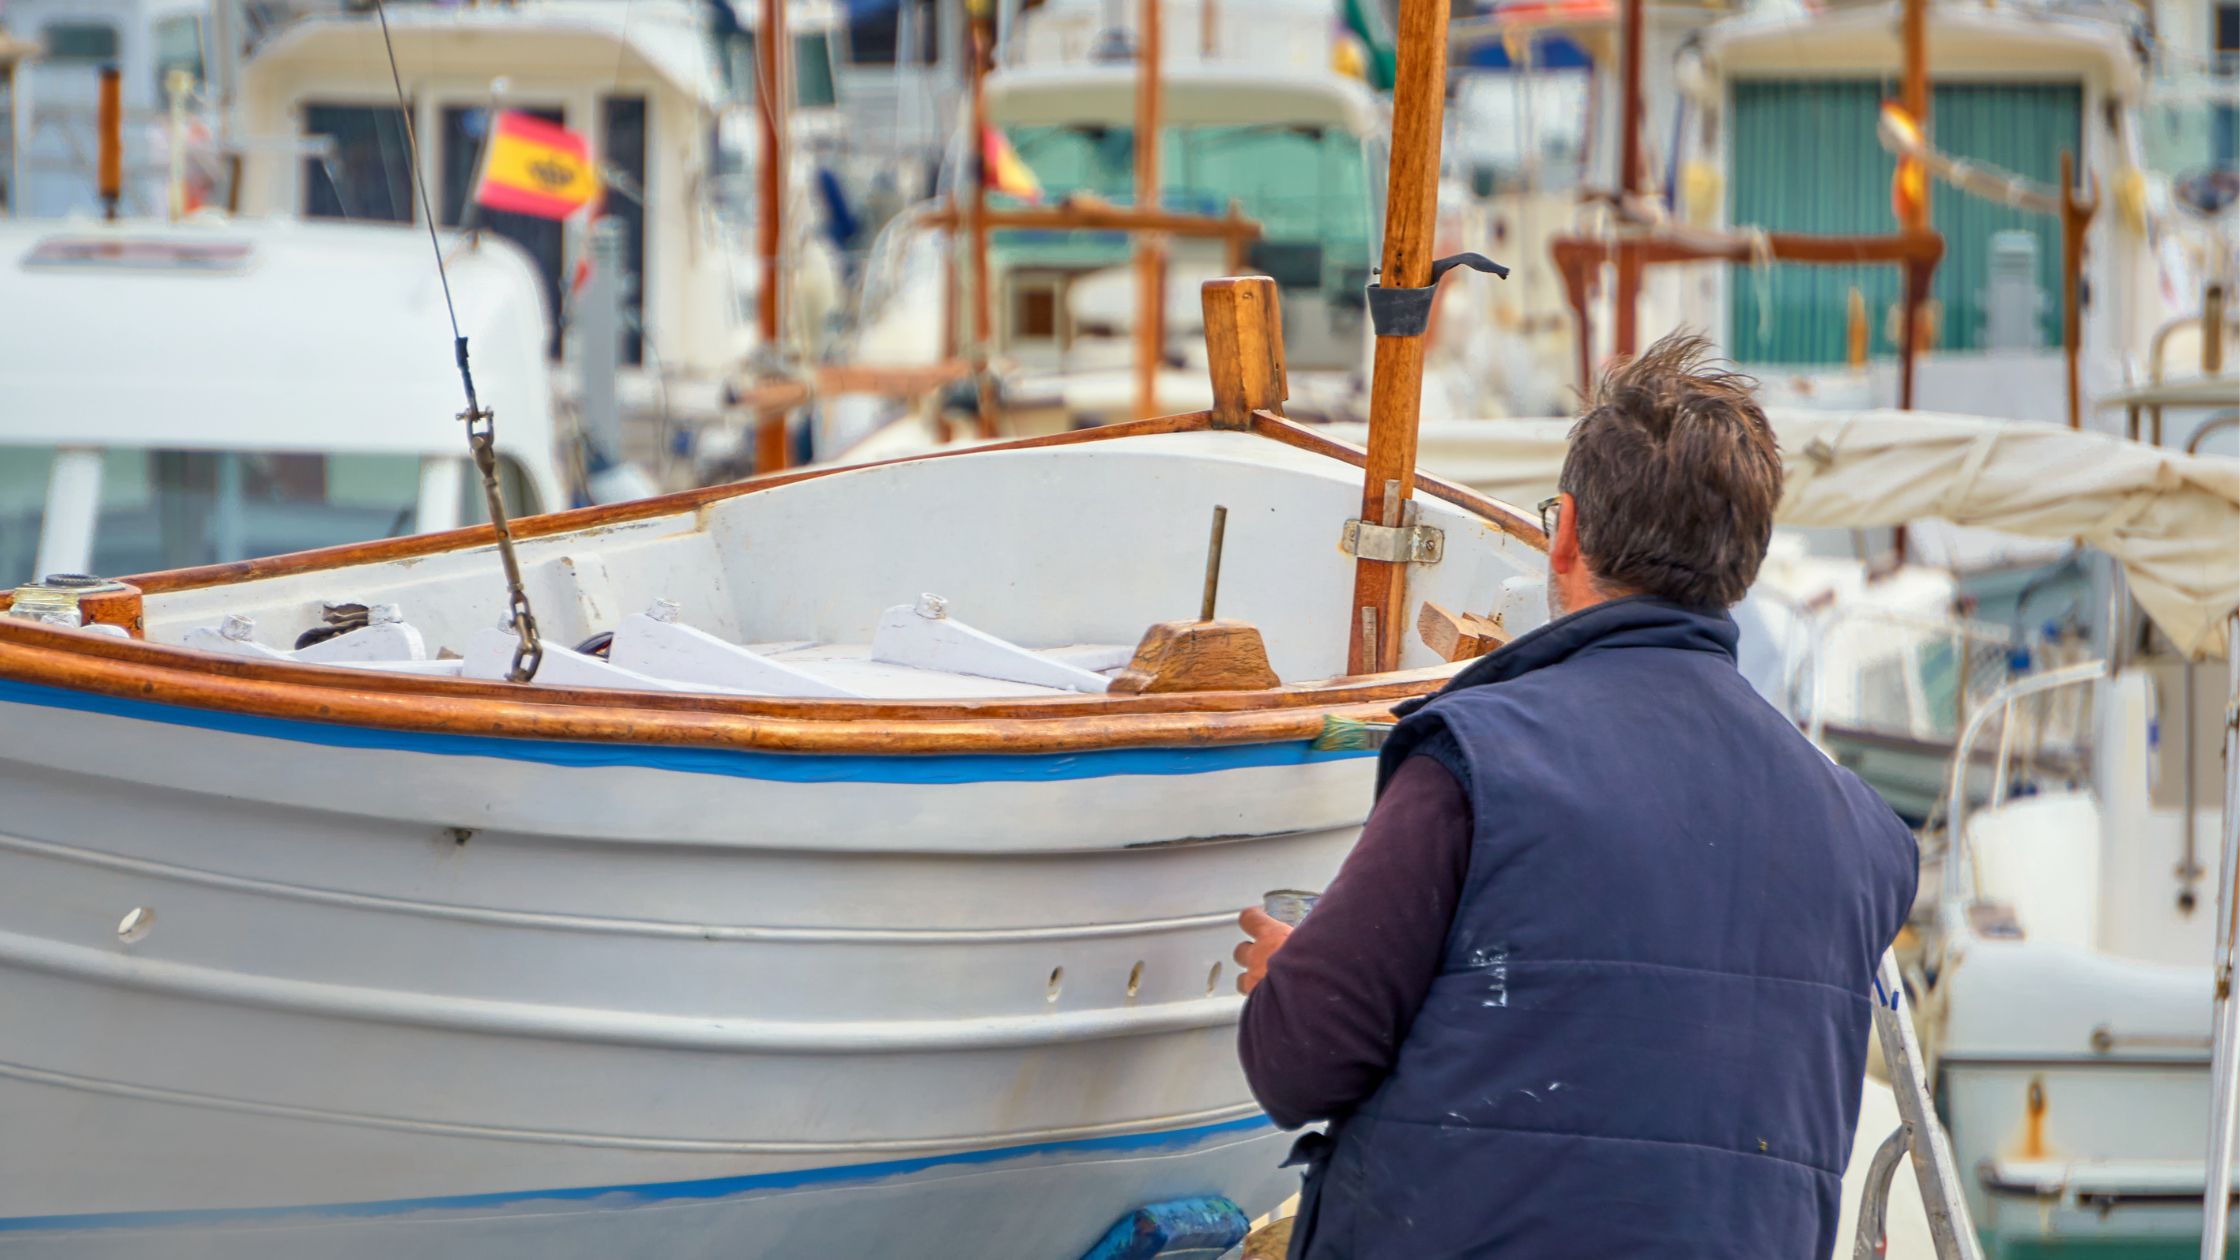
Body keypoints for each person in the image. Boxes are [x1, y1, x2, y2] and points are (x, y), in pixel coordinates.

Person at [1233, 333, 1917, 1259]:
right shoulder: (1864, 835)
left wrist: (1296, 982)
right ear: (1743, 564)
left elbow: (1298, 1065)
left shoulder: (1479, 759)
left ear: (1565, 533)